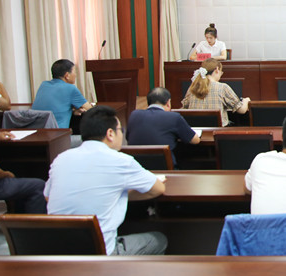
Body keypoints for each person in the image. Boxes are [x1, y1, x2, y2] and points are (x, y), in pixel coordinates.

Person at [45, 106, 167, 255]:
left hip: (58, 252)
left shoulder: (61, 159)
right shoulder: (121, 161)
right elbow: (158, 189)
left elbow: (48, 196)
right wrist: (121, 194)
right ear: (110, 133)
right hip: (100, 254)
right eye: (120, 130)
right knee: (159, 240)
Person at [127, 87, 200, 168]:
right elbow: (195, 140)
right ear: (168, 103)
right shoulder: (174, 117)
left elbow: (128, 138)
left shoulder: (134, 115)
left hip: (137, 169)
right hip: (166, 170)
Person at [182, 58, 249, 126]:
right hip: (218, 130)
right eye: (221, 72)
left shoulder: (192, 87)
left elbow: (184, 108)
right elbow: (242, 110)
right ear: (217, 69)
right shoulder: (222, 87)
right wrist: (246, 100)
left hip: (196, 130)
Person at [31, 59, 92, 129]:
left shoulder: (44, 85)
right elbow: (90, 109)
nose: (75, 75)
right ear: (67, 75)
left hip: (37, 131)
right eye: (75, 72)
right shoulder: (70, 88)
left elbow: (54, 107)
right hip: (58, 133)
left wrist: (72, 111)